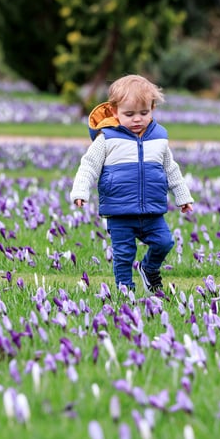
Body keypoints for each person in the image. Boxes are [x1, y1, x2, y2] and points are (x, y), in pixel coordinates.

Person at [70, 74, 194, 294]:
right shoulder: (107, 138)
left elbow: (171, 169)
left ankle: (149, 268)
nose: (137, 119)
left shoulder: (159, 139)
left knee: (165, 242)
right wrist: (80, 190)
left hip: (152, 210)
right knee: (123, 254)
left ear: (152, 109)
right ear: (115, 111)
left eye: (144, 113)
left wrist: (183, 197)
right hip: (120, 211)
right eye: (129, 114)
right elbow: (89, 166)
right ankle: (125, 291)